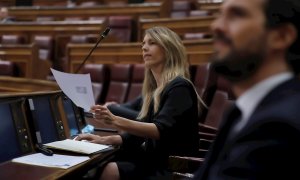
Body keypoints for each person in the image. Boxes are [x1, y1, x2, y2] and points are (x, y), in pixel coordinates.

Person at [77, 26, 204, 180]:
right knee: (101, 164)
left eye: (152, 43)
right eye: (143, 44)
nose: (144, 47)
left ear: (168, 48)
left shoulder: (180, 87)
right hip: (156, 160)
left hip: (174, 167)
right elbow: (139, 135)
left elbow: (159, 130)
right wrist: (103, 140)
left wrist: (115, 120)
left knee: (105, 170)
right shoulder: (156, 90)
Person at [192, 0, 300, 179]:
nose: (216, 26)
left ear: (282, 36)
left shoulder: (280, 125)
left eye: (237, 15)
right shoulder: (239, 111)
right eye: (220, 15)